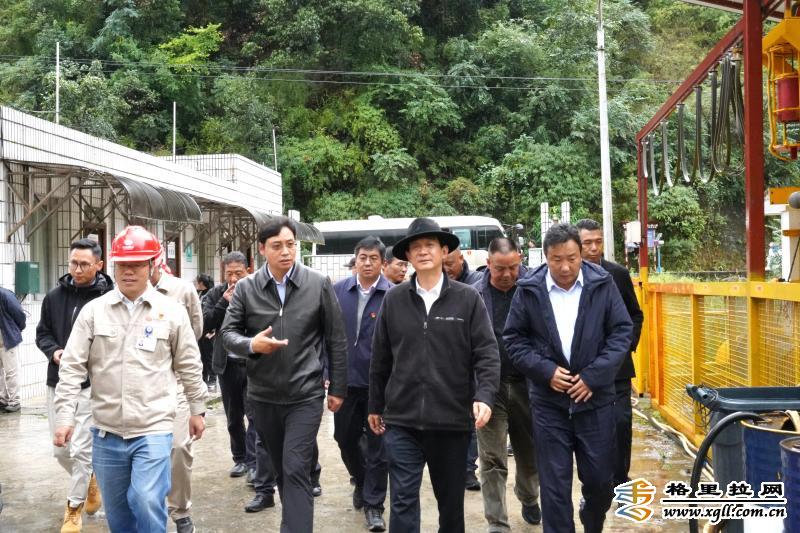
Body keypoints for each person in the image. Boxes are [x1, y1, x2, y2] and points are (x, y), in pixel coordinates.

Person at [53, 225, 207, 533]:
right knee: (118, 513)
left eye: (136, 264)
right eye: (122, 264)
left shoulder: (171, 312)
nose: (128, 271)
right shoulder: (94, 312)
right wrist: (65, 416)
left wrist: (197, 408)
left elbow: (189, 363)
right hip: (106, 431)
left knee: (146, 498)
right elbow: (71, 367)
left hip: (153, 428)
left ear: (151, 265)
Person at [369, 217, 500, 533]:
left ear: (444, 252)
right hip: (402, 420)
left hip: (451, 422)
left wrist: (484, 396)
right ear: (408, 256)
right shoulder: (394, 299)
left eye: (430, 245)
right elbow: (381, 358)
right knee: (402, 501)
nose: (423, 251)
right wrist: (375, 405)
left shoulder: (467, 298)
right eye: (416, 247)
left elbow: (486, 353)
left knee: (450, 506)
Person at [221, 216, 348, 533]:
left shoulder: (317, 283)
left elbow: (336, 338)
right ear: (262, 249)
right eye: (277, 246)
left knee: (295, 468)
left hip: (305, 395)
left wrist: (338, 387)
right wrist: (252, 345)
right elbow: (228, 335)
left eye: (291, 244)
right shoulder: (247, 288)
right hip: (263, 396)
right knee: (281, 469)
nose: (286, 251)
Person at [504, 223, 633, 533]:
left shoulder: (602, 283)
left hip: (595, 401)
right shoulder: (529, 289)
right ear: (545, 257)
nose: (565, 267)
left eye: (572, 259)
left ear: (581, 254)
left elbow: (621, 332)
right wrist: (546, 372)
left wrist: (593, 377)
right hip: (549, 405)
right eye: (557, 259)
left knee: (601, 482)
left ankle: (592, 517)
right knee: (554, 488)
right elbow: (514, 339)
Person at [36, 238, 113, 532]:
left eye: (84, 264)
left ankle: (73, 509)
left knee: (81, 451)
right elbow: (42, 333)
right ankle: (90, 480)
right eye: (73, 263)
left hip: (92, 385)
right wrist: (54, 351)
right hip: (58, 381)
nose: (77, 270)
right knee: (61, 451)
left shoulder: (108, 299)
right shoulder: (54, 297)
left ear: (99, 265)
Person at [472, 237, 541, 531]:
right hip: (490, 388)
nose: (507, 274)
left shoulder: (534, 289)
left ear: (520, 260)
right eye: (500, 268)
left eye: (513, 267)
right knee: (491, 458)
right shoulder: (474, 294)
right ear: (488, 264)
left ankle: (528, 495)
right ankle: (497, 521)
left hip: (529, 385)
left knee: (530, 454)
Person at [203, 251, 277, 513]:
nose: (233, 279)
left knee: (255, 415)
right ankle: (241, 458)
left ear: (249, 270)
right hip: (226, 364)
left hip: (254, 364)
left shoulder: (257, 291)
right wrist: (223, 303)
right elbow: (205, 323)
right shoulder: (216, 294)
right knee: (233, 416)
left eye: (238, 273)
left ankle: (255, 464)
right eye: (229, 273)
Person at [576, 219, 644, 488]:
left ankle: (619, 481)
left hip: (617, 370)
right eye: (587, 243)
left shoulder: (617, 274)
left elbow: (635, 315)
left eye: (598, 242)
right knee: (588, 430)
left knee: (620, 425)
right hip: (581, 372)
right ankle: (594, 484)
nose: (594, 248)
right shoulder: (568, 277)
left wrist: (625, 347)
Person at [333, 236, 391, 532]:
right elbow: (327, 335)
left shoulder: (394, 295)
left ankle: (374, 506)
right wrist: (327, 371)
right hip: (344, 382)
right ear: (355, 260)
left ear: (383, 262)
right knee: (344, 438)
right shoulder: (338, 291)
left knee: (379, 446)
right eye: (362, 258)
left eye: (373, 258)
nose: (367, 263)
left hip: (380, 386)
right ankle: (361, 478)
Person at [150, 245, 204, 533]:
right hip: (141, 384)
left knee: (179, 447)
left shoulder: (182, 290)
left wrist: (198, 405)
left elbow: (195, 330)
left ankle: (180, 511)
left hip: (177, 379)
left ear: (157, 261)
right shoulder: (119, 293)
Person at [443, 245, 483, 489]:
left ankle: (468, 469)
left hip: (473, 363)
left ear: (461, 259)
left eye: (450, 264)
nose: (446, 269)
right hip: (448, 363)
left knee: (472, 420)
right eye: (442, 265)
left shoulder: (476, 284)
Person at [0, 285, 25, 413]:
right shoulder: (5, 294)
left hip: (7, 337)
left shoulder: (4, 294)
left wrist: (15, 330)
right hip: (6, 335)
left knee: (11, 371)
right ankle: (3, 399)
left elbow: (19, 314)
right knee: (6, 371)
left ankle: (14, 401)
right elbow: (19, 314)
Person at [195, 273, 217, 391]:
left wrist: (213, 330)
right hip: (200, 330)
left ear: (202, 283)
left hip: (209, 331)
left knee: (210, 356)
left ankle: (212, 380)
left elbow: (215, 312)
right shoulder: (198, 293)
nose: (195, 283)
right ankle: (203, 379)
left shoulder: (212, 294)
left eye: (197, 281)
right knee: (201, 356)